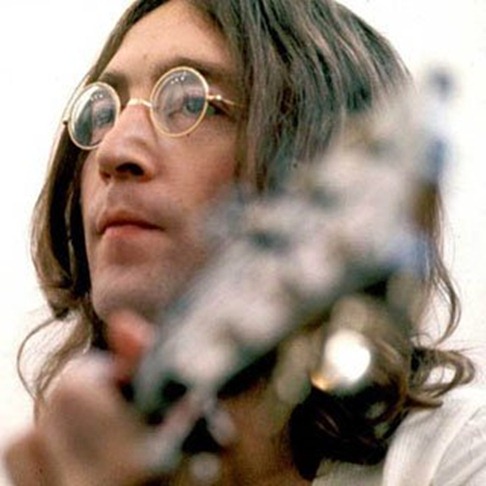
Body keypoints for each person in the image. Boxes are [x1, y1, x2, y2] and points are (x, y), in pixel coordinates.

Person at [4, 0, 486, 484]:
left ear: (313, 157)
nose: (113, 149)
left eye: (192, 101)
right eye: (102, 112)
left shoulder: (459, 454)